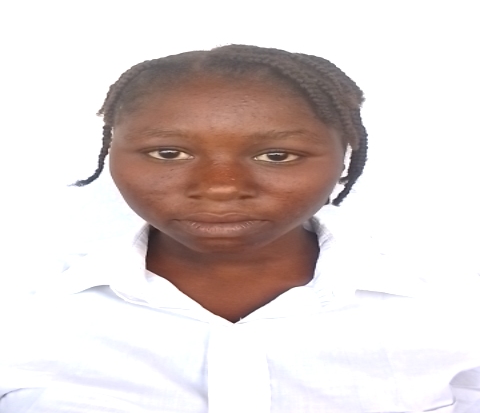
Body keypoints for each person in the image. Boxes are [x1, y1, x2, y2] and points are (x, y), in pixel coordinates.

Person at [0, 44, 478, 412]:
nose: (221, 186)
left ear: (343, 158)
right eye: (169, 153)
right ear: (113, 154)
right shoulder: (23, 311)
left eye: (276, 155)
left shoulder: (451, 307)